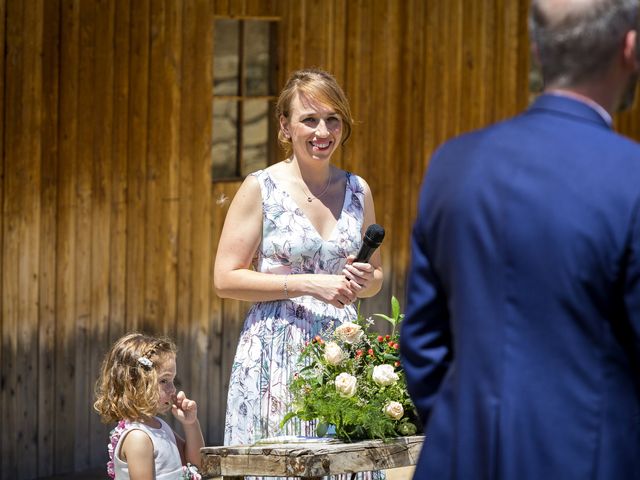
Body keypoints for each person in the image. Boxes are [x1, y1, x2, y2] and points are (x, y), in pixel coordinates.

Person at [401, 1, 640, 479]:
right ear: (629, 48)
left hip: (459, 456)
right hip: (590, 458)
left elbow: (423, 342)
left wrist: (463, 426)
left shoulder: (453, 164)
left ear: (536, 51)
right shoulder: (630, 178)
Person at [214, 69, 383, 448]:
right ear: (285, 126)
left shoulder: (358, 190)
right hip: (274, 354)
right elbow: (224, 279)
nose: (323, 132)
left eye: (332, 119)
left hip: (340, 354)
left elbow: (377, 278)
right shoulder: (261, 188)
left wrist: (364, 279)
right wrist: (307, 283)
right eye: (309, 120)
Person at [94, 333, 205, 479]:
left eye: (173, 380)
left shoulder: (159, 427)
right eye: (164, 381)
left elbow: (197, 464)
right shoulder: (138, 438)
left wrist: (191, 423)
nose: (172, 389)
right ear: (134, 383)